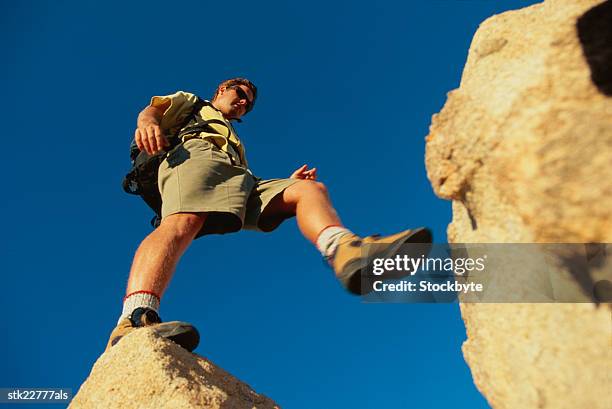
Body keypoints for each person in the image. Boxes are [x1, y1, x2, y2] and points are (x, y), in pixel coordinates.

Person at [106, 78, 432, 352]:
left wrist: (285, 187)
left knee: (307, 191)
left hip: (239, 175)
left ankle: (347, 252)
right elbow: (155, 109)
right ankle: (134, 319)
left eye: (249, 103)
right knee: (183, 221)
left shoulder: (234, 137)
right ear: (222, 89)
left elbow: (239, 178)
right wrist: (147, 122)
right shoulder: (194, 103)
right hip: (194, 156)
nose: (245, 102)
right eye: (241, 93)